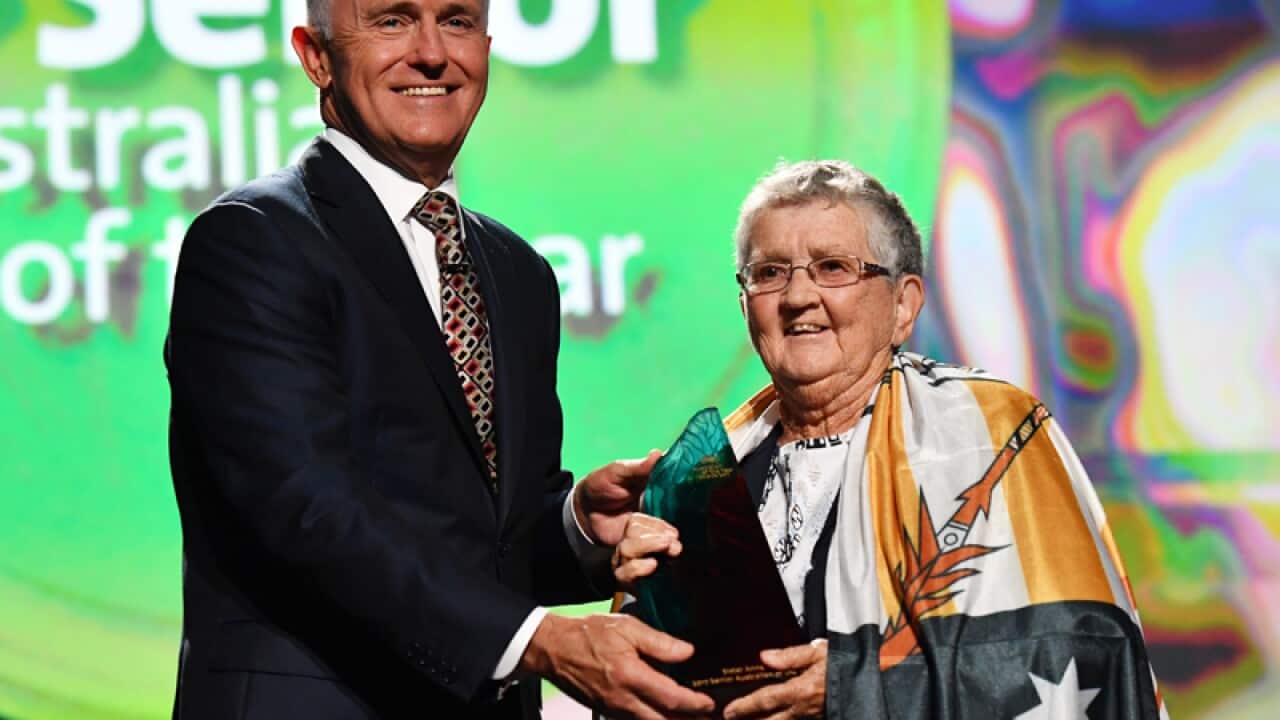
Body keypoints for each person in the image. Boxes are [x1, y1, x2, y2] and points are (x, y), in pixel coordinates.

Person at [164, 1, 715, 718]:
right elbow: (308, 512)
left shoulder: (517, 271)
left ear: (486, 47)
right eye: (392, 21)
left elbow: (484, 546)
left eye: (454, 21)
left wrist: (576, 526)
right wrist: (539, 640)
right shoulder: (252, 241)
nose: (430, 53)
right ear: (316, 56)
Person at [613, 160, 1168, 719]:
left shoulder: (991, 434)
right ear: (745, 303)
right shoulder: (698, 474)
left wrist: (856, 688)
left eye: (833, 268)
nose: (797, 296)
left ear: (903, 304)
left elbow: (1084, 657)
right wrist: (657, 606)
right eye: (770, 273)